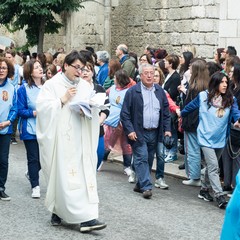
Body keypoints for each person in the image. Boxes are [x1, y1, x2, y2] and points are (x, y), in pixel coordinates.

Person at [36, 50, 107, 232]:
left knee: (84, 178)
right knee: (65, 179)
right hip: (62, 141)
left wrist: (88, 110)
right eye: (76, 67)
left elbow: (92, 109)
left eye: (82, 68)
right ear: (65, 66)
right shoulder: (52, 85)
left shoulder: (85, 86)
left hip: (81, 140)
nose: (80, 72)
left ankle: (86, 218)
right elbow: (43, 110)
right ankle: (61, 211)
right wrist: (62, 100)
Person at [181, 71, 240, 209]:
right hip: (204, 138)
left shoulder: (230, 100)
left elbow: (236, 113)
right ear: (215, 83)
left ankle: (204, 189)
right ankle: (219, 195)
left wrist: (237, 120)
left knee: (210, 167)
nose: (225, 85)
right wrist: (181, 114)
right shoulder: (202, 97)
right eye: (222, 82)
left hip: (220, 139)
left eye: (227, 82)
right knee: (214, 166)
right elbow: (188, 108)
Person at [120, 64, 171, 199]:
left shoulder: (160, 91)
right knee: (141, 157)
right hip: (138, 132)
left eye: (152, 73)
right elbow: (124, 114)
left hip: (155, 132)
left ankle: (140, 183)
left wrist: (167, 130)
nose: (149, 76)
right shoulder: (132, 92)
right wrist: (130, 130)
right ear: (141, 75)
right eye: (146, 73)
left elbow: (165, 113)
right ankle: (147, 186)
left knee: (148, 159)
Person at [179, 59, 209, 187]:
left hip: (191, 122)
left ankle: (194, 176)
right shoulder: (206, 86)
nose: (189, 70)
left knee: (192, 150)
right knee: (197, 149)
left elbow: (190, 106)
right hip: (201, 123)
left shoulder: (194, 87)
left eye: (191, 68)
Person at [17, 60, 44, 198]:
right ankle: (35, 186)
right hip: (30, 128)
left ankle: (31, 173)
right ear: (30, 71)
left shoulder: (48, 87)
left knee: (44, 159)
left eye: (40, 66)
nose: (40, 69)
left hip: (46, 128)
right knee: (33, 158)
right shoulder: (23, 89)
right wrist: (34, 113)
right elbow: (20, 110)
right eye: (36, 67)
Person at [104, 69, 136, 182]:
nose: (113, 79)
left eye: (115, 78)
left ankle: (127, 166)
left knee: (126, 144)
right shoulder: (112, 88)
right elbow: (105, 95)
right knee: (107, 141)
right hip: (111, 119)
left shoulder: (129, 91)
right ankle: (101, 160)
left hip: (124, 121)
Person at [80, 62, 109, 171]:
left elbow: (106, 107)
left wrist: (100, 120)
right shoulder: (76, 88)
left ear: (93, 72)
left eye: (88, 70)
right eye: (83, 70)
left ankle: (91, 174)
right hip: (82, 127)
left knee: (99, 154)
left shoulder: (99, 88)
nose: (85, 73)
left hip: (97, 127)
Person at [0, 57, 17, 201]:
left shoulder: (12, 88)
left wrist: (8, 121)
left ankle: (1, 188)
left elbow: (15, 107)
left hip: (4, 129)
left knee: (3, 160)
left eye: (4, 68)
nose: (1, 70)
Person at [163, 54, 181, 162]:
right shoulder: (168, 75)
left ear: (171, 64)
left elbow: (173, 92)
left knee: (172, 130)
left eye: (166, 61)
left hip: (172, 107)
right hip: (166, 106)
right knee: (167, 129)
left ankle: (172, 152)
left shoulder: (175, 76)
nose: (164, 62)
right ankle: (167, 149)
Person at [5, 48, 23, 144]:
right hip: (4, 91)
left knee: (14, 113)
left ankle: (12, 135)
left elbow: (24, 74)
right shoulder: (2, 67)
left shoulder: (17, 68)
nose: (7, 59)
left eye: (9, 57)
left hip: (14, 92)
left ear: (13, 57)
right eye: (6, 57)